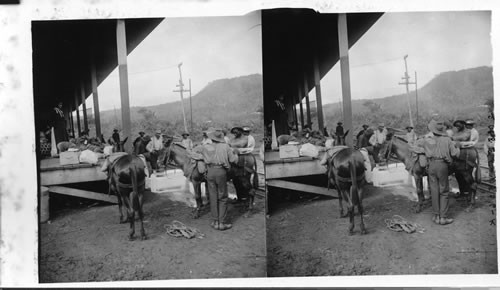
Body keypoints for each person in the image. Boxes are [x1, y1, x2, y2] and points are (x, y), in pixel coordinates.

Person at [415, 119, 460, 225]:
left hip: (431, 166)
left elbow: (416, 148)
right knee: (444, 191)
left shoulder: (426, 140)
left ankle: (436, 216)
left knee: (434, 191)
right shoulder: (447, 140)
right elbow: (454, 154)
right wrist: (457, 147)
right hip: (442, 165)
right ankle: (443, 218)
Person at [205, 129, 238, 230]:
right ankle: (221, 223)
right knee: (223, 197)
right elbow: (233, 160)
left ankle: (215, 222)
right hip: (221, 172)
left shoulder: (207, 147)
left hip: (210, 172)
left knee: (213, 196)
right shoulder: (225, 146)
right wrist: (235, 154)